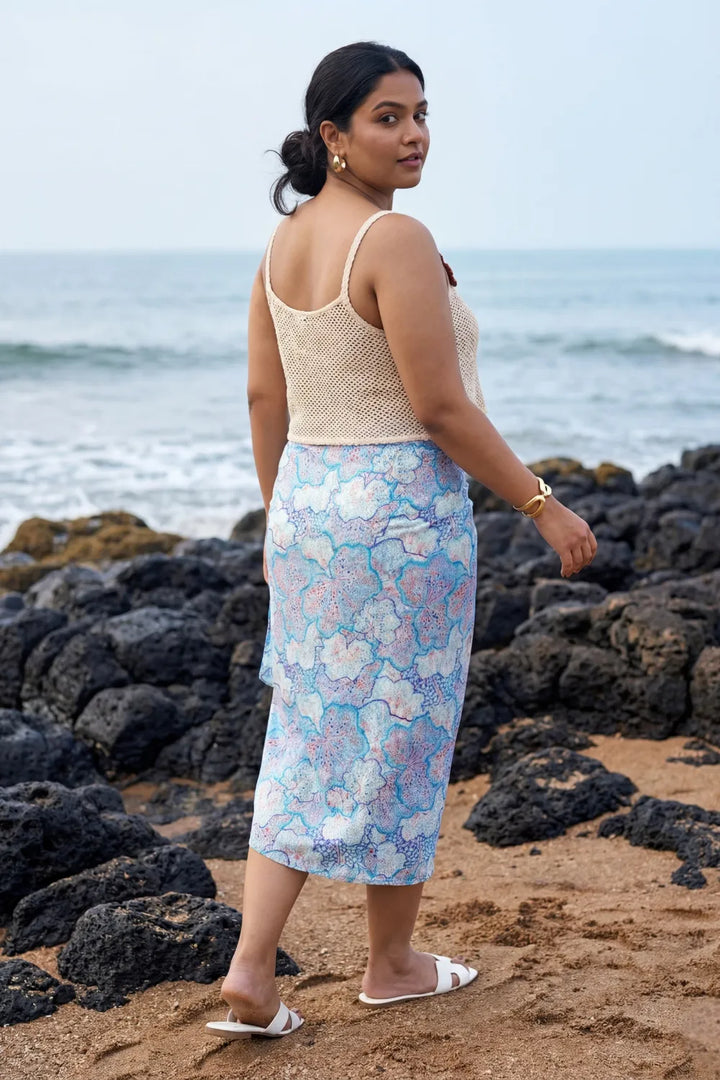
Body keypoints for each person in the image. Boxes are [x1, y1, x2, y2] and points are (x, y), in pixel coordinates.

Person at [206, 40, 597, 1041]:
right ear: (333, 136)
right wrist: (541, 502)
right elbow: (439, 408)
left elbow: (265, 394)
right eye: (388, 116)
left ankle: (253, 969)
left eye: (421, 113)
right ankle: (390, 964)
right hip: (399, 517)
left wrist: (278, 516)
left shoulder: (285, 244)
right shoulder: (396, 239)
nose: (415, 133)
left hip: (309, 505)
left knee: (305, 734)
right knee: (407, 735)